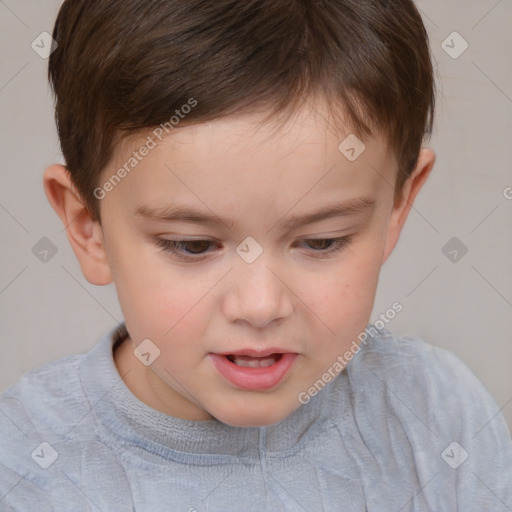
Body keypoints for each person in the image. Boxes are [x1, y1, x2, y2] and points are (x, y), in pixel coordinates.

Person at [1, 0, 511, 510]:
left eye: (321, 241)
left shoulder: (440, 416)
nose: (261, 305)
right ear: (89, 227)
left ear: (397, 206)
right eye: (193, 245)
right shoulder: (24, 466)